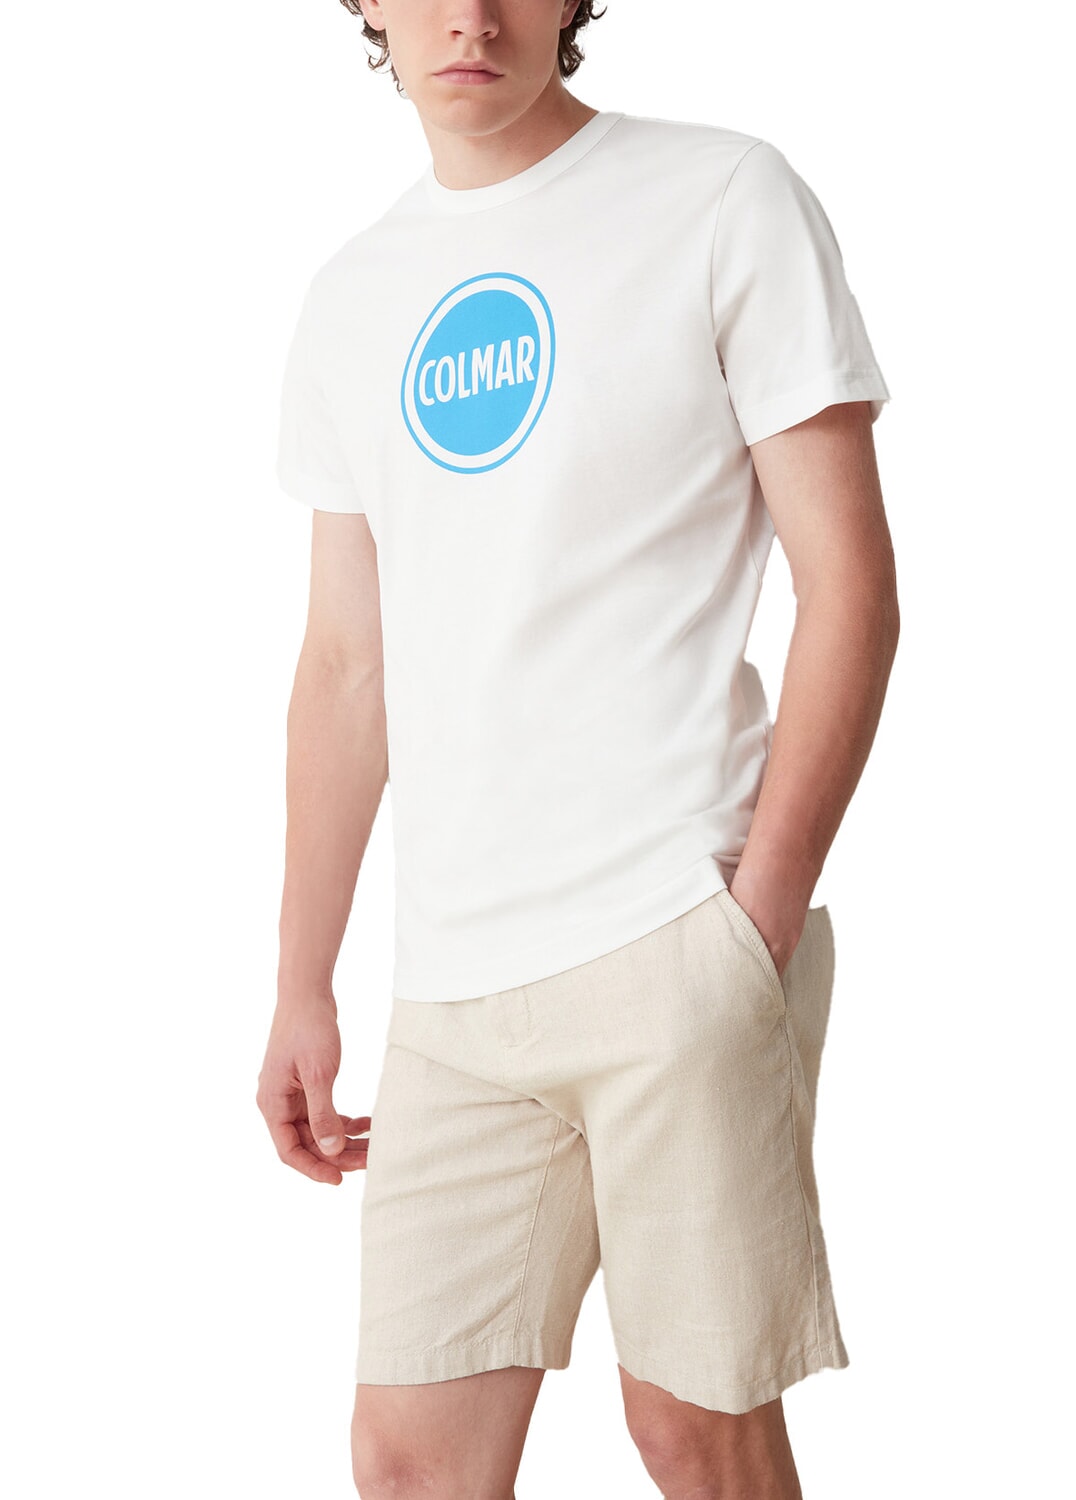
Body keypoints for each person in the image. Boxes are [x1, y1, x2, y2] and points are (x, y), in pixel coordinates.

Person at [256, 2, 899, 1495]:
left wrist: (754, 916)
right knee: (409, 1460)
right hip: (452, 993)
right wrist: (302, 982)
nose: (470, 17)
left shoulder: (722, 197)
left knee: (697, 1437)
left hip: (673, 929)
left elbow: (851, 587)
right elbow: (347, 665)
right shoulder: (351, 299)